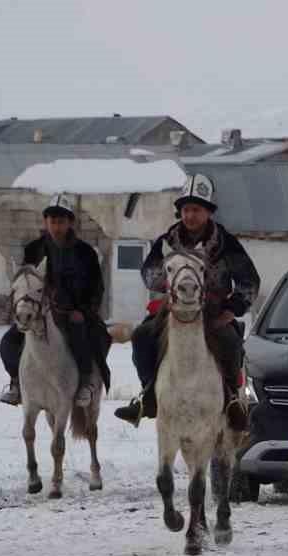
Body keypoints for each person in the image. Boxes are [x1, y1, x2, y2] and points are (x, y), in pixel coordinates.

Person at [114, 173, 259, 431]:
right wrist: (172, 283)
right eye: (186, 209)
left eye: (196, 209)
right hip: (174, 309)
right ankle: (148, 395)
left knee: (230, 342)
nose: (190, 215)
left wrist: (231, 309)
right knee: (142, 337)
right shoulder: (168, 241)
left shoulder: (227, 245)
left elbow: (249, 282)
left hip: (213, 312)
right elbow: (149, 274)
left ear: (208, 212)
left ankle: (233, 400)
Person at [0, 194, 109, 407]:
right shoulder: (33, 249)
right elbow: (24, 280)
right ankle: (16, 383)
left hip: (73, 312)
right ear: (45, 222)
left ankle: (85, 382)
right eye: (52, 221)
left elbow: (97, 287)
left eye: (61, 221)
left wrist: (84, 311)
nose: (56, 226)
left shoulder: (85, 253)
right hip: (39, 311)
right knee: (8, 343)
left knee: (82, 334)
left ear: (70, 223)